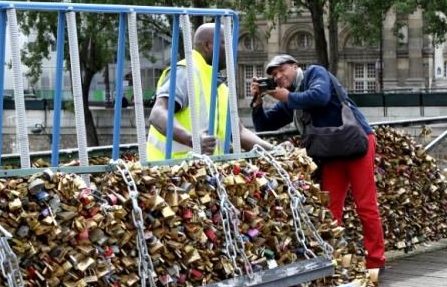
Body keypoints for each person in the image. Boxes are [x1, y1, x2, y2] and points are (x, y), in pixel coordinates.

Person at [249, 54, 386, 272]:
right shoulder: (290, 98)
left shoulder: (314, 72)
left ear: (295, 66)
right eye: (274, 75)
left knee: (366, 206)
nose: (278, 76)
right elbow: (265, 125)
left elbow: (320, 96)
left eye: (281, 70)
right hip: (331, 152)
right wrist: (257, 103)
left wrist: (287, 98)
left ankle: (376, 261)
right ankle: (334, 259)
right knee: (330, 209)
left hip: (356, 143)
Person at [146, 23, 271, 160]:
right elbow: (157, 114)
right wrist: (192, 139)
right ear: (208, 45)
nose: (231, 49)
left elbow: (238, 132)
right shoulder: (186, 71)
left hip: (203, 171)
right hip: (171, 172)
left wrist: (274, 151)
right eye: (225, 43)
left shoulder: (220, 86)